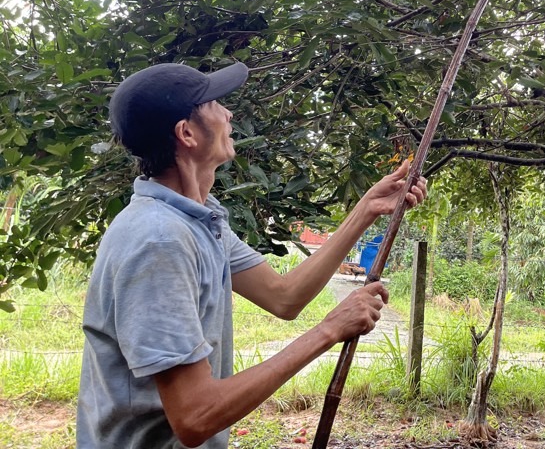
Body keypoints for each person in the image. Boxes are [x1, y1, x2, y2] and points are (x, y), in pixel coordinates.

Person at [77, 61, 427, 448]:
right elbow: (195, 417)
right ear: (187, 133)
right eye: (213, 103)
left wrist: (366, 210)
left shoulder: (198, 218)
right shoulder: (159, 241)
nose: (228, 113)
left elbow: (283, 296)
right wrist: (329, 330)